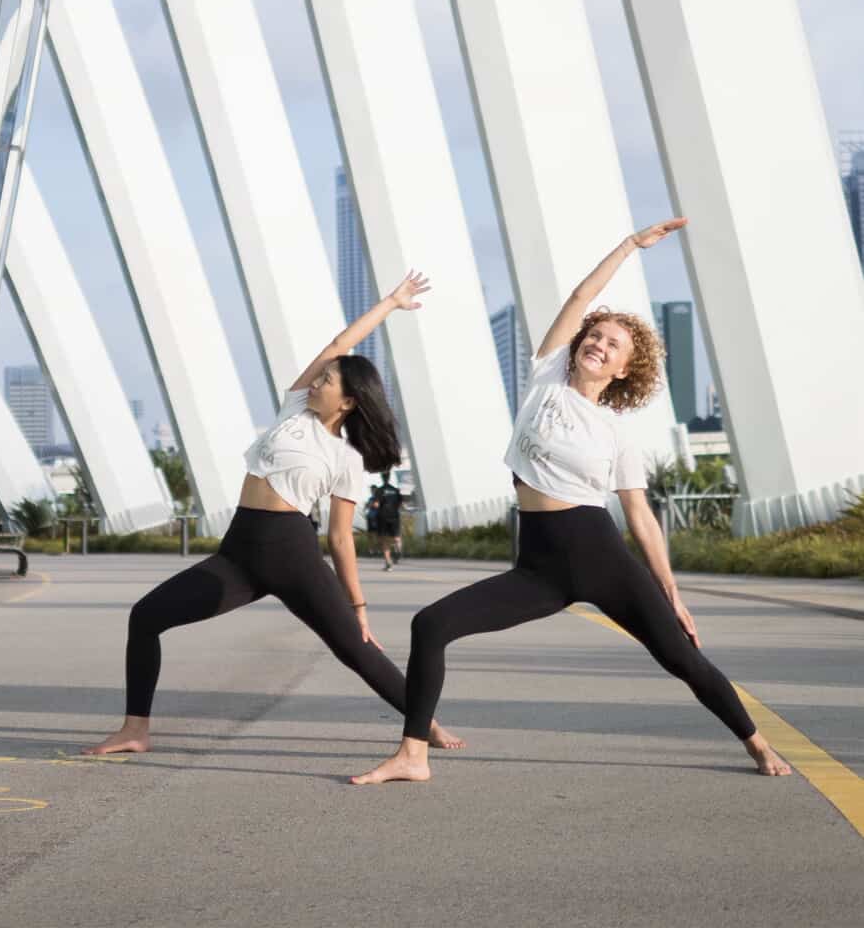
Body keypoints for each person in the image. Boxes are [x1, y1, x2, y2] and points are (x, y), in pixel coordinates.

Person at [350, 221, 792, 785]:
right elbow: (580, 297)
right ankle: (413, 755)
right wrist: (630, 246)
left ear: (623, 369)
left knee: (680, 657)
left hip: (598, 556)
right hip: (539, 567)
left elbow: (640, 517)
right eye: (596, 335)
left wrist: (671, 591)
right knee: (431, 624)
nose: (599, 344)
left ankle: (756, 742)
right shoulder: (547, 377)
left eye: (613, 344)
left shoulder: (614, 433)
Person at [82, 272, 464, 757]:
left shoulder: (344, 459)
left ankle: (424, 723)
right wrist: (389, 303)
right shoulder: (293, 410)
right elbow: (337, 343)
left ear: (347, 402)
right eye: (320, 376)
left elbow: (341, 538)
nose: (318, 381)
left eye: (328, 381)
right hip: (238, 553)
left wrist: (358, 605)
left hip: (293, 555)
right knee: (146, 616)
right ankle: (135, 729)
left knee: (355, 650)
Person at [374, 472, 404, 570]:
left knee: (385, 541)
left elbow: (376, 504)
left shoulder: (380, 490)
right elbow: (401, 504)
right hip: (394, 516)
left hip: (383, 517)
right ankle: (399, 550)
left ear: (382, 478)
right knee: (397, 537)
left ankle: (388, 563)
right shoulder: (395, 490)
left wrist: (372, 506)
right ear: (389, 477)